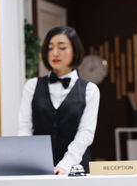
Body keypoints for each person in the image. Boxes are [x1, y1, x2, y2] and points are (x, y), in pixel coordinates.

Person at [18, 26, 100, 174]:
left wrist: (66, 164)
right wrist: (29, 161)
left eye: (62, 47)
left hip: (77, 168)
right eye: (50, 48)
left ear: (75, 51)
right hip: (38, 168)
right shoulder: (31, 86)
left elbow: (85, 133)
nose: (55, 53)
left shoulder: (90, 90)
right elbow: (24, 128)